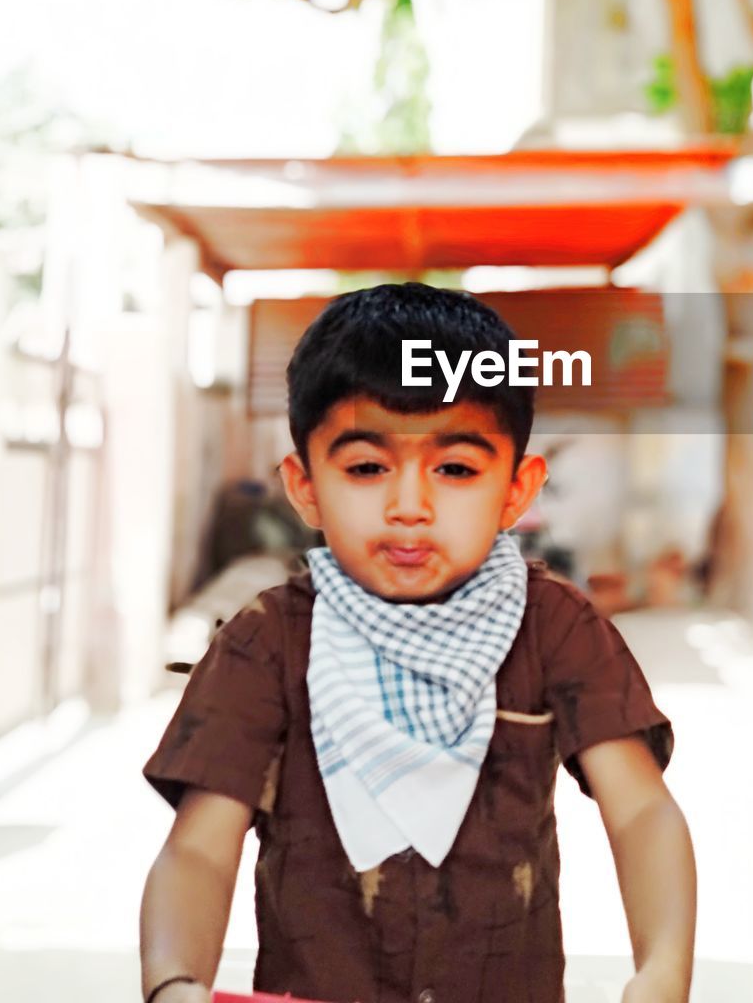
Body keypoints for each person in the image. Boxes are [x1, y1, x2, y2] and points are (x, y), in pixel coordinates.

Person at [140, 283, 696, 1003]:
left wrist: (662, 975)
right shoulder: (267, 641)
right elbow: (198, 853)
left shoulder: (554, 627)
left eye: (456, 469)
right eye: (367, 467)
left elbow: (643, 813)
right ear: (305, 486)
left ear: (516, 491)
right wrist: (173, 982)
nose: (410, 506)